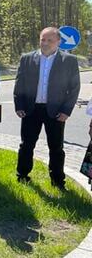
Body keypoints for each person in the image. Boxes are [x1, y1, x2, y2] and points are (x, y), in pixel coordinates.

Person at [14, 27, 80, 190]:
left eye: (49, 40)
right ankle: (22, 176)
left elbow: (74, 88)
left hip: (56, 111)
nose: (45, 43)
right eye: (43, 39)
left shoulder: (69, 60)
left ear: (58, 41)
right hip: (31, 109)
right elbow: (19, 83)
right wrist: (19, 105)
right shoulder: (27, 58)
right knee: (26, 144)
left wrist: (66, 111)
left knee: (56, 147)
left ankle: (57, 181)